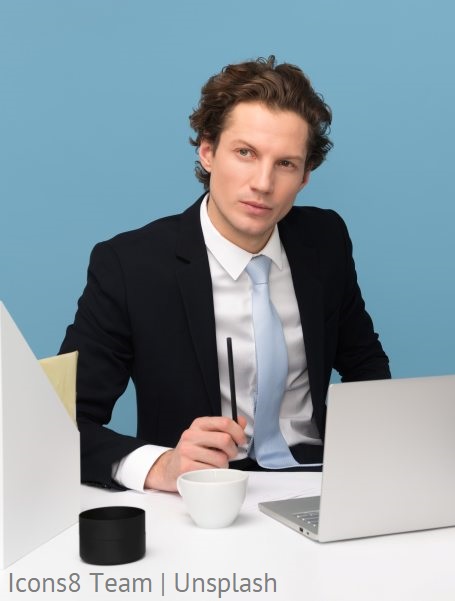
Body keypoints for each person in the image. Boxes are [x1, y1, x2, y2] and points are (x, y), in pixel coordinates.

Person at [60, 56, 390, 493]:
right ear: (208, 151)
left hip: (320, 483)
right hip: (200, 496)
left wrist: (374, 458)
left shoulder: (325, 240)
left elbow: (366, 365)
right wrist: (160, 466)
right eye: (245, 153)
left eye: (286, 164)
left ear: (306, 177)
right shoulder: (129, 265)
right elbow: (62, 425)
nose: (263, 183)